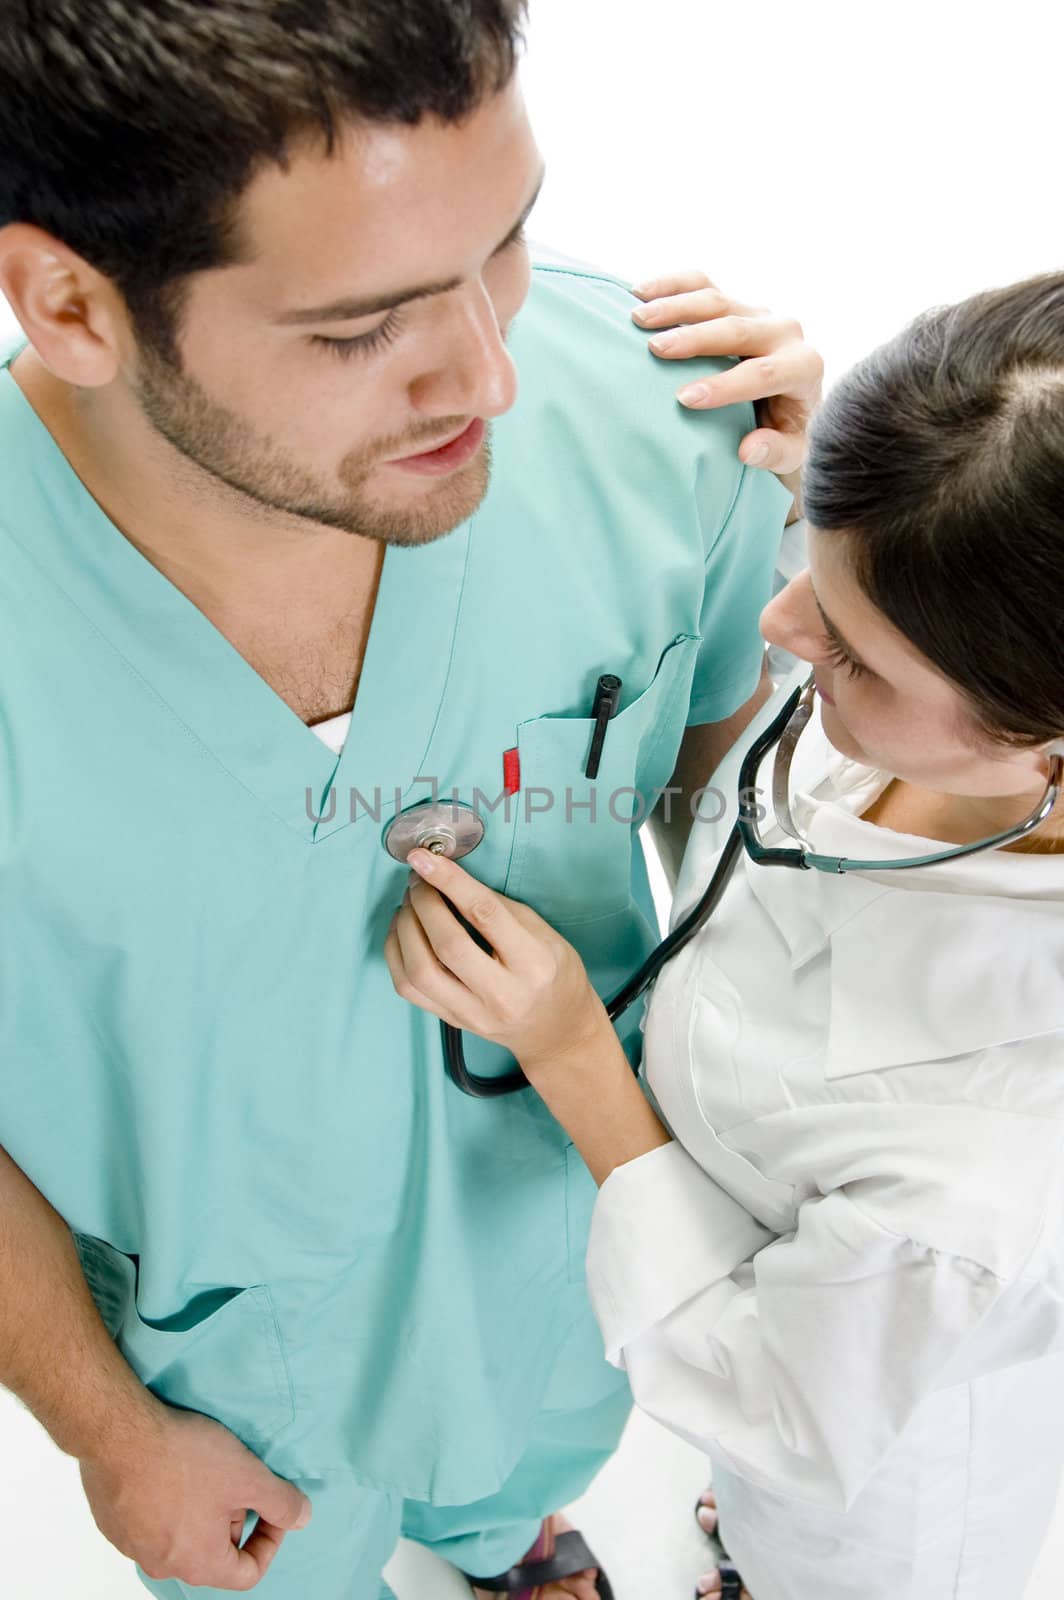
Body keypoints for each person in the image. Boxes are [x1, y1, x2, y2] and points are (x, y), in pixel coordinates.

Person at [0, 4, 825, 1598]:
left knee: (522, 1473)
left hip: (558, 1270)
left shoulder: (669, 425)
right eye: (361, 327)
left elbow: (752, 832)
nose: (496, 376)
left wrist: (862, 536)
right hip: (217, 1395)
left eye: (509, 241)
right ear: (72, 303)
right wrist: (105, 1430)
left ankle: (510, 1543)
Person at [387, 268, 1064, 1600]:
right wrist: (853, 494)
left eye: (856, 652)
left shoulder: (991, 1156)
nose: (778, 622)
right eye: (817, 551)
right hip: (813, 1313)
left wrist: (572, 1050)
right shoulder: (967, 683)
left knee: (809, 1543)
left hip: (865, 1478)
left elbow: (778, 1397)